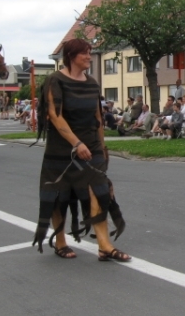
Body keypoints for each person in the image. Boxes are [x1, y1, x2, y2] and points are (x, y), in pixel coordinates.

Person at [32, 38, 131, 262]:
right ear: (71, 56)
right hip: (63, 148)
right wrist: (76, 144)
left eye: (90, 52)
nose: (89, 56)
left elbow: (97, 117)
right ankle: (60, 242)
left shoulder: (92, 83)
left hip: (91, 147)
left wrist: (102, 146)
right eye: (85, 53)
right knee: (59, 196)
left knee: (100, 191)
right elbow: (55, 117)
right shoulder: (54, 80)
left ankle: (104, 246)